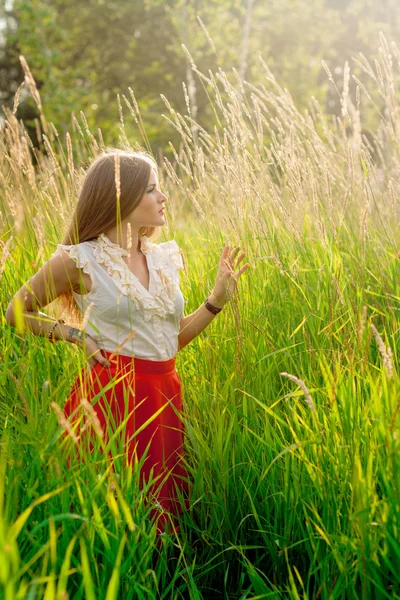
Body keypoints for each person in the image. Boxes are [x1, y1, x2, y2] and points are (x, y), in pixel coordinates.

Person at [5, 148, 251, 535]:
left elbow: (170, 343)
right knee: (107, 520)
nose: (163, 197)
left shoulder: (163, 259)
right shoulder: (80, 259)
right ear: (120, 197)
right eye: (152, 189)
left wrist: (216, 301)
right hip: (109, 397)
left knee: (163, 523)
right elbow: (15, 312)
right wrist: (77, 335)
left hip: (164, 394)